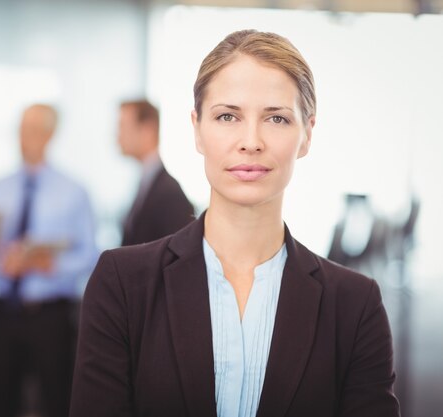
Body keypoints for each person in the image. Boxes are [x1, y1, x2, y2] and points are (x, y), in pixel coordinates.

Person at [70, 30, 400, 417]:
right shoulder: (122, 283)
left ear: (307, 135)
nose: (251, 141)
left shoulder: (355, 305)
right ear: (196, 129)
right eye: (228, 116)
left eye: (276, 118)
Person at [0, 104, 98, 417]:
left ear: (49, 135)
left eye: (32, 130)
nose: (24, 138)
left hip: (51, 315)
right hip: (4, 311)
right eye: (20, 130)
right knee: (2, 402)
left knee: (56, 400)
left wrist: (51, 265)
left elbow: (90, 254)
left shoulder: (74, 191)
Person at [118, 99, 195, 245]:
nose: (118, 136)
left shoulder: (169, 193)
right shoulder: (146, 183)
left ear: (147, 131)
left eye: (122, 126)